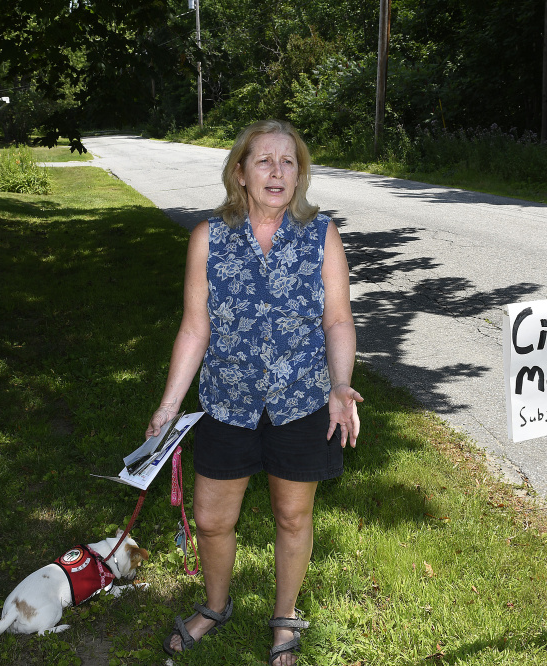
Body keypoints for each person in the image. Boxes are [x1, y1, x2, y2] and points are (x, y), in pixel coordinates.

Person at [148, 119, 362, 666]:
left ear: (299, 175)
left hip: (301, 400)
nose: (276, 171)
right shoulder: (209, 238)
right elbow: (195, 327)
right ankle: (216, 606)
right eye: (263, 160)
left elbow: (337, 320)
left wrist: (340, 385)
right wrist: (169, 407)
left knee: (293, 515)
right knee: (212, 518)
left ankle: (285, 617)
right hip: (227, 402)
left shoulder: (321, 234)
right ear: (239, 172)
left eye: (288, 162)